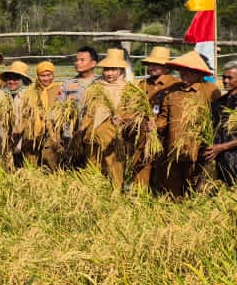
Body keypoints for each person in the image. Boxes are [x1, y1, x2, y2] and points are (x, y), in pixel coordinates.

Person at [154, 50, 219, 198]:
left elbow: (216, 120)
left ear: (199, 73)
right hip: (173, 152)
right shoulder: (172, 91)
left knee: (196, 193)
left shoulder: (210, 91)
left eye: (189, 71)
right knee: (173, 194)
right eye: (182, 70)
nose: (184, 74)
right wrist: (153, 125)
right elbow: (163, 119)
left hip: (197, 152)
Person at [83, 48, 144, 192]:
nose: (109, 73)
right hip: (94, 135)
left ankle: (115, 195)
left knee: (114, 168)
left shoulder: (130, 89)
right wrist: (83, 129)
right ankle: (94, 195)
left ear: (121, 70)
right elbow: (89, 111)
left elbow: (135, 113)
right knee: (93, 167)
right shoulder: (96, 87)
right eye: (106, 70)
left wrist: (123, 118)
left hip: (115, 137)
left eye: (113, 70)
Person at [43, 45, 99, 170]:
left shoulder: (100, 83)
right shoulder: (68, 84)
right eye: (77, 60)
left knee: (91, 166)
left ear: (93, 63)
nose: (77, 63)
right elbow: (58, 106)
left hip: (92, 133)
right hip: (71, 133)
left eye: (82, 60)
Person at [133, 46, 178, 189]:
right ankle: (140, 196)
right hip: (145, 134)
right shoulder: (142, 85)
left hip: (166, 135)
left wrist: (158, 124)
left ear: (166, 67)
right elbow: (135, 108)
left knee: (164, 171)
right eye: (150, 64)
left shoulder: (175, 85)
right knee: (142, 168)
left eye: (156, 64)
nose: (152, 67)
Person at [0, 61, 32, 169]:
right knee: (0, 170)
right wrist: (1, 133)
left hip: (21, 143)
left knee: (19, 169)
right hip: (0, 141)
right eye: (9, 78)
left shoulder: (29, 96)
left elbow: (30, 118)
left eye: (16, 79)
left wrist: (19, 129)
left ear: (23, 80)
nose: (11, 81)